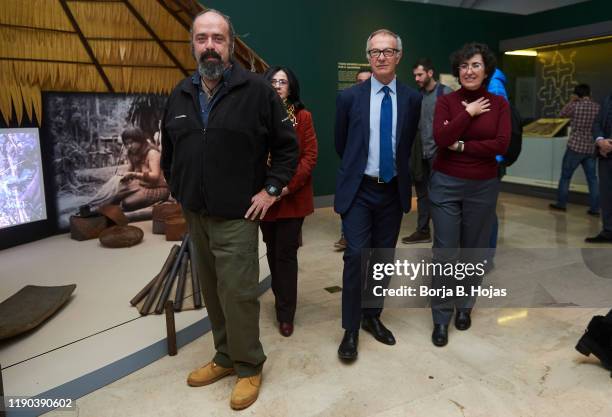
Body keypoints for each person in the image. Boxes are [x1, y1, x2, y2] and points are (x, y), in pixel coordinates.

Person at [160, 10, 298, 410]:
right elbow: (170, 152)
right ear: (193, 45)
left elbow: (288, 148)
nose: (209, 46)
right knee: (214, 294)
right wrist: (179, 188)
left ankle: (249, 365)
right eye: (202, 38)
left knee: (238, 294)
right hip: (196, 215)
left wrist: (271, 188)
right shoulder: (180, 93)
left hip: (238, 216)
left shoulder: (257, 91)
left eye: (217, 38)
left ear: (230, 45)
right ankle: (224, 357)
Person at [334, 28, 421, 361]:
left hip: (392, 190)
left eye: (388, 51)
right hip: (359, 189)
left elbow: (406, 144)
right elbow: (342, 144)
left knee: (384, 258)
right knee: (356, 256)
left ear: (399, 56)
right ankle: (351, 328)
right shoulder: (349, 98)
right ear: (368, 57)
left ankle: (372, 316)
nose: (381, 57)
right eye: (375, 52)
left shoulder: (412, 99)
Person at [429, 42, 510, 347]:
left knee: (474, 250)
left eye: (475, 65)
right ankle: (440, 318)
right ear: (457, 71)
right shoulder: (447, 102)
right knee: (445, 252)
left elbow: (500, 144)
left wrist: (461, 144)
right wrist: (469, 113)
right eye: (463, 66)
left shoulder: (499, 105)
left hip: (483, 185)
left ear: (486, 69)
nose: (469, 71)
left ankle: (464, 307)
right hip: (446, 183)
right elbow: (441, 137)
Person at [260, 66, 318, 337]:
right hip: (264, 199)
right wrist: (266, 190)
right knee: (271, 252)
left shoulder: (303, 117)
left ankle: (286, 313)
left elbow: (309, 158)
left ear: (291, 87)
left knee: (286, 254)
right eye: (273, 81)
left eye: (282, 82)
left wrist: (285, 188)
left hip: (291, 197)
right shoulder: (257, 116)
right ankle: (280, 299)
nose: (277, 86)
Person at [401, 58, 452, 244]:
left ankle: (446, 233)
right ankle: (422, 231)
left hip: (440, 154)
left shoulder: (446, 94)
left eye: (420, 74)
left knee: (441, 195)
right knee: (422, 195)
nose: (416, 78)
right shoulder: (417, 96)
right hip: (420, 154)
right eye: (414, 75)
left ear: (430, 73)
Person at [335, 68, 373, 252]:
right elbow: (340, 141)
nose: (364, 84)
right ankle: (346, 236)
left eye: (368, 80)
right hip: (353, 173)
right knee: (356, 251)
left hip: (380, 181)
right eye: (360, 81)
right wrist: (352, 161)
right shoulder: (347, 101)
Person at [550, 84, 600, 215]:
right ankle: (595, 209)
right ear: (589, 93)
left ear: (577, 94)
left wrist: (571, 101)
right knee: (592, 179)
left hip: (575, 147)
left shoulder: (575, 105)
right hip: (590, 148)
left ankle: (561, 204)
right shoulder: (597, 107)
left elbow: (561, 115)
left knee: (566, 176)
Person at [586, 91, 612, 243]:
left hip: (607, 149)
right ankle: (608, 231)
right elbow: (596, 123)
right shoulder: (607, 99)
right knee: (606, 195)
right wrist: (600, 140)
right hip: (605, 155)